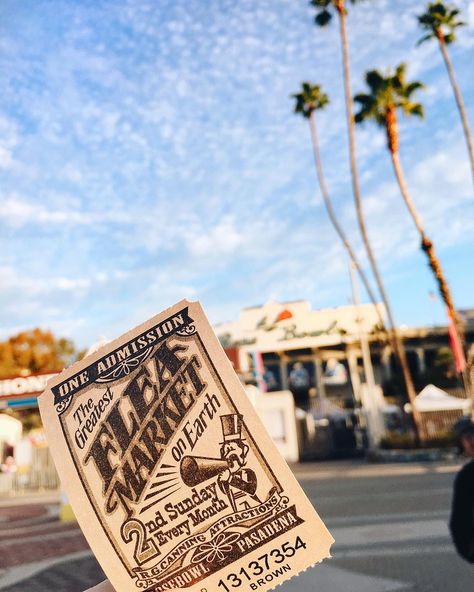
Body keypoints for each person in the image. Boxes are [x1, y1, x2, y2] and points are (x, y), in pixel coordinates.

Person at [449, 416, 474, 563]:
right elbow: (459, 519)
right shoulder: (466, 476)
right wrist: (468, 549)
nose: (471, 441)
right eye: (466, 438)